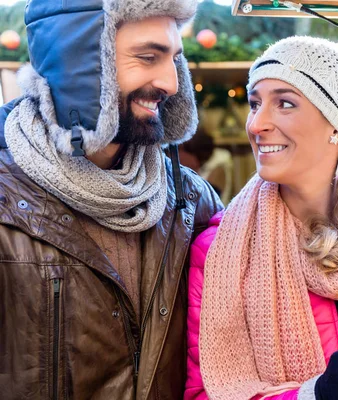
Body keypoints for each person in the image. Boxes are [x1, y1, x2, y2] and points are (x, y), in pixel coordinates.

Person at [186, 36, 338, 400]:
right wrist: (315, 394)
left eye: (284, 103)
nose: (256, 124)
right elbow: (205, 393)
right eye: (255, 104)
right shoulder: (219, 251)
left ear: (337, 125)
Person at [0, 1, 222, 399]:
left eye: (174, 59)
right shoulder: (5, 200)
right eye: (148, 57)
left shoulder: (192, 201)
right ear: (79, 63)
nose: (171, 83)